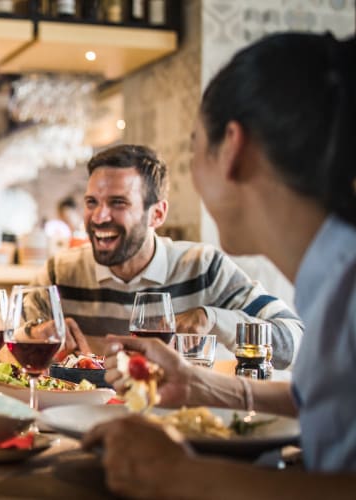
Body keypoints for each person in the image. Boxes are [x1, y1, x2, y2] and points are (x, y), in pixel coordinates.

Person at [84, 32, 356, 498]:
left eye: (193, 149)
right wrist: (200, 385)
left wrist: (182, 476)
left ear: (232, 148)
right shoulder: (330, 274)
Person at [34, 144, 303, 367]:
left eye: (118, 203)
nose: (99, 216)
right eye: (92, 202)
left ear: (158, 214)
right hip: (84, 421)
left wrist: (212, 319)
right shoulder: (60, 272)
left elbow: (295, 341)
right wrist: (38, 335)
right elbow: (19, 332)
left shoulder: (204, 268)